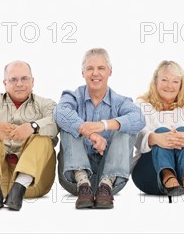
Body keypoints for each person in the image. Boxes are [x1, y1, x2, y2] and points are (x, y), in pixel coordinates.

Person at [54, 48, 145, 209]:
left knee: (126, 126)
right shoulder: (72, 97)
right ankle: (83, 184)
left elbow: (139, 118)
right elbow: (59, 112)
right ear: (83, 73)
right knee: (69, 124)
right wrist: (87, 131)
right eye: (90, 68)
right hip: (73, 179)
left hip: (111, 179)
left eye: (101, 68)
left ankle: (105, 185)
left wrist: (103, 125)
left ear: (110, 71)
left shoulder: (121, 101)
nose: (95, 73)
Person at [0, 60, 58, 211]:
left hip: (34, 183)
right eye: (13, 79)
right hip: (2, 182)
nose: (19, 83)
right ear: (5, 83)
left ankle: (18, 189)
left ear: (32, 82)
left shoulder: (46, 104)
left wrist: (33, 127)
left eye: (24, 78)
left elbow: (58, 123)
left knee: (43, 137)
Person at [131, 61, 184, 203]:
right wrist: (156, 138)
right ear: (155, 81)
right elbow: (136, 137)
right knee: (161, 131)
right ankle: (167, 175)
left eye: (175, 81)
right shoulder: (141, 104)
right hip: (149, 174)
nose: (169, 86)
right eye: (164, 80)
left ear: (181, 84)